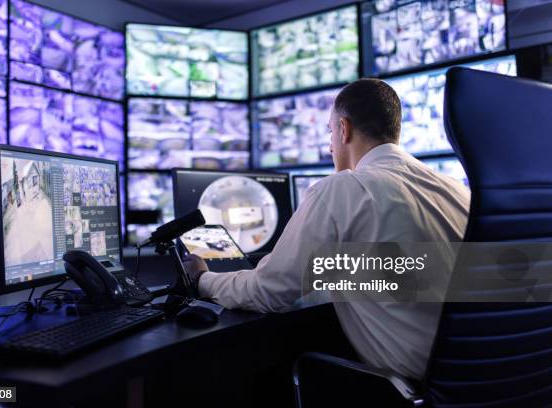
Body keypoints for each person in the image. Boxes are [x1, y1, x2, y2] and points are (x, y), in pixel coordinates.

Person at [183, 78, 470, 381]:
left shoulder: (343, 189)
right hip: (482, 379)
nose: (331, 144)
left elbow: (267, 293)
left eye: (330, 132)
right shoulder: (455, 189)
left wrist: (204, 279)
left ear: (343, 129)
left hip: (411, 387)